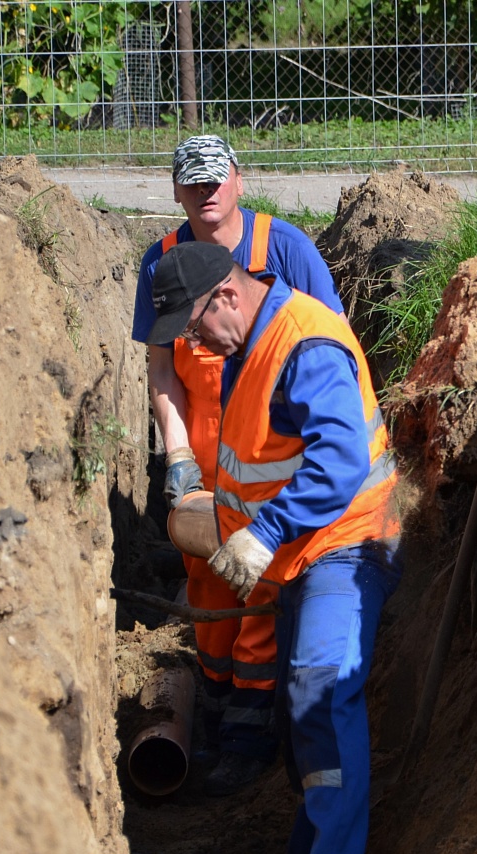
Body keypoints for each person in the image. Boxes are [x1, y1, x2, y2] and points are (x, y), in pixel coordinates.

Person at [145, 240, 402, 854]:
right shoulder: (247, 342)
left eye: (196, 325)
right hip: (300, 557)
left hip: (346, 546)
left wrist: (261, 533)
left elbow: (341, 459)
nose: (195, 343)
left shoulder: (304, 344)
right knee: (298, 718)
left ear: (226, 296)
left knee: (320, 691)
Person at [131, 134, 345, 796]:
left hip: (270, 472)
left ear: (239, 180)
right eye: (193, 183)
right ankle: (220, 719)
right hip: (207, 465)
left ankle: (250, 741)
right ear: (176, 191)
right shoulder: (161, 262)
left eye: (216, 179)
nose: (207, 192)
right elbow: (162, 368)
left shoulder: (283, 252)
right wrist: (178, 457)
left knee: (258, 608)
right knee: (208, 593)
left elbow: (327, 351)